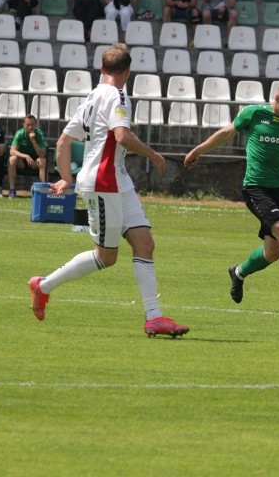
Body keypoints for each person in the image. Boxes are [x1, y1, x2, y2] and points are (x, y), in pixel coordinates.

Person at [27, 44, 189, 339]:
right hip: (104, 183)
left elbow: (63, 143)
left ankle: (154, 317)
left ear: (102, 68)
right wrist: (154, 155)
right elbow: (122, 136)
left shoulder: (92, 96)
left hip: (117, 180)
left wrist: (66, 177)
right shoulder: (117, 95)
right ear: (128, 71)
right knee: (106, 257)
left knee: (145, 244)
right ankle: (43, 285)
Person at [183, 80, 279, 309]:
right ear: (278, 99)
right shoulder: (254, 113)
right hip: (256, 188)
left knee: (272, 253)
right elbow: (226, 133)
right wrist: (198, 150)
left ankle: (239, 272)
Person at [7, 114, 47, 198]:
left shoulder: (39, 134)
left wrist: (33, 141)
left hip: (35, 162)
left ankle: (43, 190)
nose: (30, 127)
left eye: (32, 124)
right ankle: (12, 191)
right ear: (24, 125)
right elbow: (12, 151)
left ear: (36, 125)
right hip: (22, 162)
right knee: (12, 159)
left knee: (42, 160)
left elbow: (42, 154)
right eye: (28, 125)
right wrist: (26, 156)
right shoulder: (20, 133)